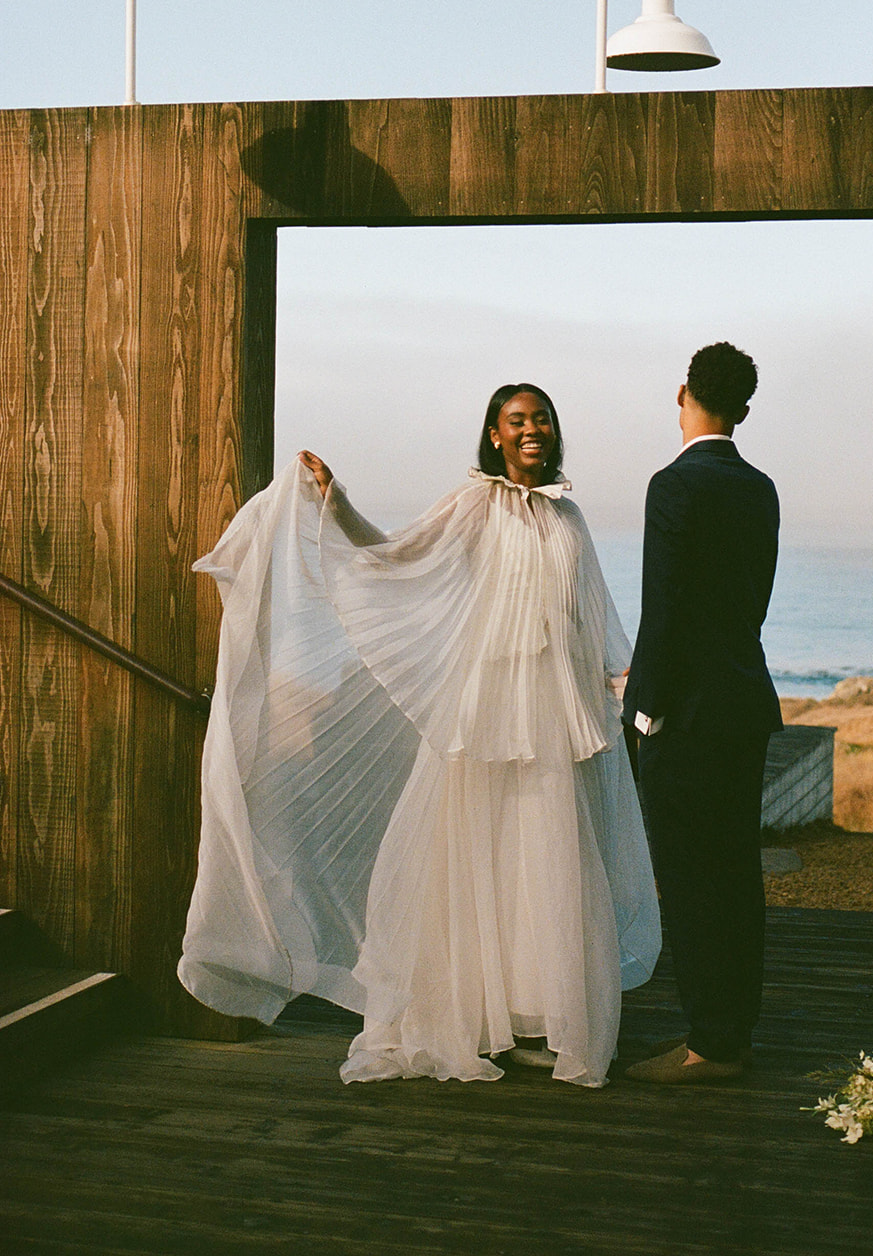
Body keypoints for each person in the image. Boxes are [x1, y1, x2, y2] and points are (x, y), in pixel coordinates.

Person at [178, 384, 660, 1089]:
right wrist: (334, 506)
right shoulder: (474, 503)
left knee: (552, 855)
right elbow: (396, 555)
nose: (532, 429)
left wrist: (619, 690)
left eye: (541, 418)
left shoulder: (569, 515)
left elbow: (592, 617)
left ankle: (543, 1016)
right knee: (477, 856)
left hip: (554, 709)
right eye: (516, 420)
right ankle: (469, 1020)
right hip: (487, 708)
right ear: (494, 435)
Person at [621, 343, 783, 1085]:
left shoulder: (672, 485)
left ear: (679, 392)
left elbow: (664, 611)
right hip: (744, 704)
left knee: (688, 881)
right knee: (734, 876)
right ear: (743, 410)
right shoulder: (760, 488)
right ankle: (734, 1032)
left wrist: (641, 709)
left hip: (685, 715)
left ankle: (706, 1045)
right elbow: (749, 605)